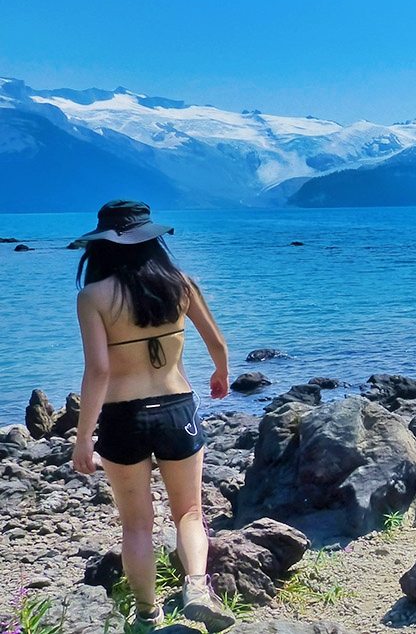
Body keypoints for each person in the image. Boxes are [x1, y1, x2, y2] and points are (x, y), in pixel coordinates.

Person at [70, 200, 235, 632]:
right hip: (176, 406)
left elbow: (99, 371)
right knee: (190, 513)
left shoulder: (93, 297)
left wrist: (84, 436)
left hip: (123, 417)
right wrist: (220, 374)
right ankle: (197, 588)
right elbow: (217, 343)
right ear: (153, 241)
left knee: (137, 525)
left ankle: (147, 615)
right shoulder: (182, 284)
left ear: (101, 247)